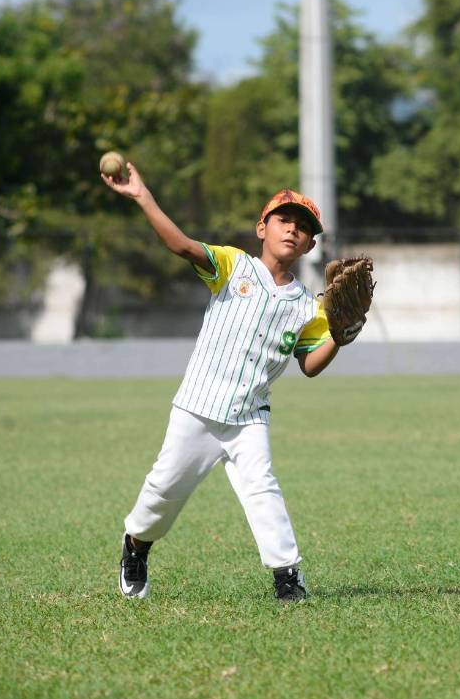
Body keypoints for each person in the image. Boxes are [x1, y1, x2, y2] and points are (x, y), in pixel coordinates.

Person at [103, 161, 351, 603]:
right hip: (198, 407)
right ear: (262, 227)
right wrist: (142, 195)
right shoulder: (233, 267)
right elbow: (180, 246)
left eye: (303, 227)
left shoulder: (306, 305)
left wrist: (340, 335)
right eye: (283, 220)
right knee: (163, 491)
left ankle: (286, 576)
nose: (292, 230)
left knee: (262, 488)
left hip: (249, 417)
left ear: (311, 243)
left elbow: (310, 365)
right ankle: (136, 545)